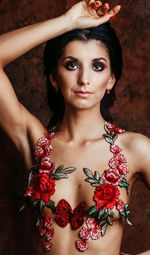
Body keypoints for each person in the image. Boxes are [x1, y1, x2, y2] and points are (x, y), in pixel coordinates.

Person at [0, 0, 150, 254]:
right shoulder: (34, 141)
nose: (84, 79)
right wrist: (67, 22)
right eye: (71, 65)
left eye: (97, 66)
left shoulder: (135, 149)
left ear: (111, 79)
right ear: (54, 78)